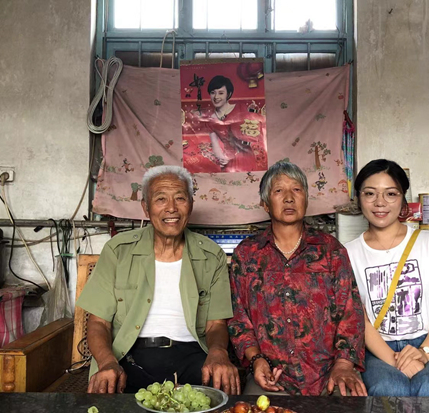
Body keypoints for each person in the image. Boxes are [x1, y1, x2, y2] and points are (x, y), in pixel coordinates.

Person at [76, 165, 240, 395]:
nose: (171, 208)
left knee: (221, 396)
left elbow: (216, 325)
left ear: (191, 205)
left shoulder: (211, 255)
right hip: (129, 355)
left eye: (180, 198)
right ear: (145, 207)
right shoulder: (118, 251)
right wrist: (106, 362)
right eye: (161, 199)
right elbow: (99, 323)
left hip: (192, 356)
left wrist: (218, 352)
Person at [228, 161, 367, 396]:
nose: (289, 198)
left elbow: (350, 313)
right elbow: (238, 319)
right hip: (272, 376)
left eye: (296, 189)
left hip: (329, 374)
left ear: (306, 200)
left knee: (353, 402)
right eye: (279, 190)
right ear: (265, 203)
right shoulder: (247, 254)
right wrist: (256, 360)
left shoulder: (331, 250)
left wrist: (344, 365)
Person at [344, 159, 429, 397]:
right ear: (358, 198)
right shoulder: (348, 253)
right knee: (388, 389)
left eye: (390, 193)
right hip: (377, 349)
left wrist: (424, 353)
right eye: (370, 193)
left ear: (402, 199)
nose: (380, 202)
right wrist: (396, 360)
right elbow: (360, 320)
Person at [205, 75, 263, 172]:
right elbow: (215, 144)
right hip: (227, 160)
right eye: (213, 93)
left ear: (228, 94)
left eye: (221, 93)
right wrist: (221, 157)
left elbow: (254, 132)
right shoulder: (211, 120)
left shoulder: (241, 108)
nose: (216, 97)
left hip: (246, 157)